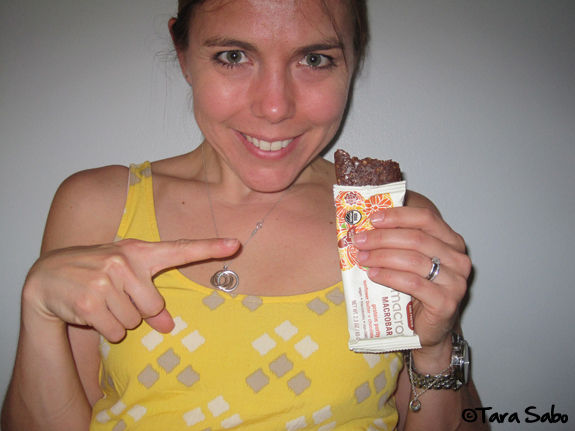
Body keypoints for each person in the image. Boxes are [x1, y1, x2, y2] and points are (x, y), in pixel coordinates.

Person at [1, 0, 487, 430]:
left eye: (314, 59)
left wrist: (435, 350)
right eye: (233, 56)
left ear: (353, 58)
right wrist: (38, 309)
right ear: (183, 54)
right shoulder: (97, 207)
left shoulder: (392, 217)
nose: (275, 107)